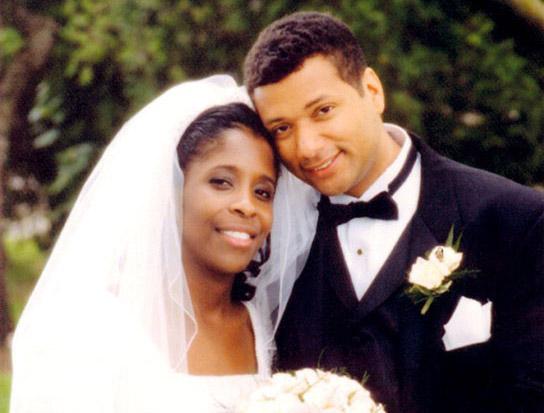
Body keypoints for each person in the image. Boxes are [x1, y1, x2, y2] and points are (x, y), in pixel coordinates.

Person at [244, 11, 544, 413]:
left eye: (323, 111)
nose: (307, 147)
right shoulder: (272, 248)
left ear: (372, 90)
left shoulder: (515, 219)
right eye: (282, 128)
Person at [9, 75, 314, 413]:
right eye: (221, 182)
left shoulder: (259, 325)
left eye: (263, 192)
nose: (247, 205)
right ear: (173, 191)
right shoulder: (89, 325)